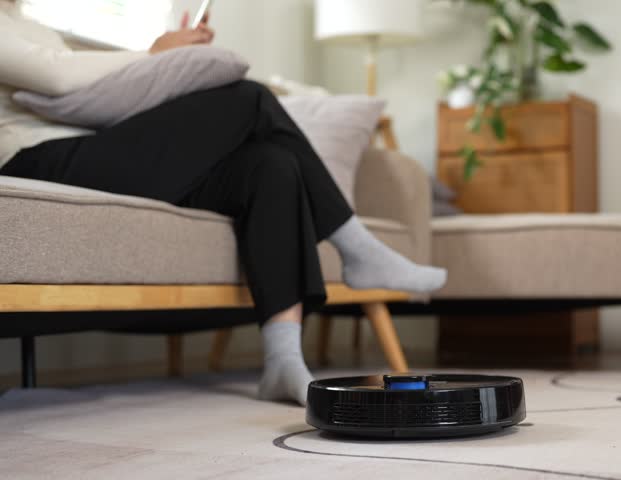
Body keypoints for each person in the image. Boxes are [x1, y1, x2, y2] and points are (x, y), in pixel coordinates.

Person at [0, 2, 446, 405]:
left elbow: (84, 98)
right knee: (249, 98)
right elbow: (56, 75)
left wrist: (167, 68)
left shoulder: (34, 26)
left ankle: (282, 359)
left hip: (94, 151)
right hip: (32, 160)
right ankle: (356, 247)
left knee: (270, 164)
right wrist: (159, 53)